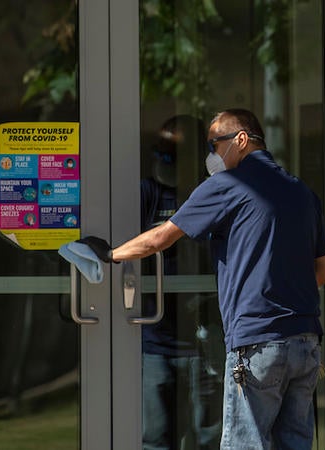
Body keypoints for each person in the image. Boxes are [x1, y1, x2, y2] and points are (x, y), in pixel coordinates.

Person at [80, 108, 325, 450]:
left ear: (241, 139)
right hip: (305, 343)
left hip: (256, 343)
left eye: (215, 144)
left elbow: (161, 238)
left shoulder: (229, 185)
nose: (211, 155)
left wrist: (108, 255)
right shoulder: (301, 192)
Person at [139, 115, 222, 450]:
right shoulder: (148, 193)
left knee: (210, 436)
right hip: (155, 336)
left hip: (205, 335)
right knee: (157, 437)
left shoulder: (216, 194)